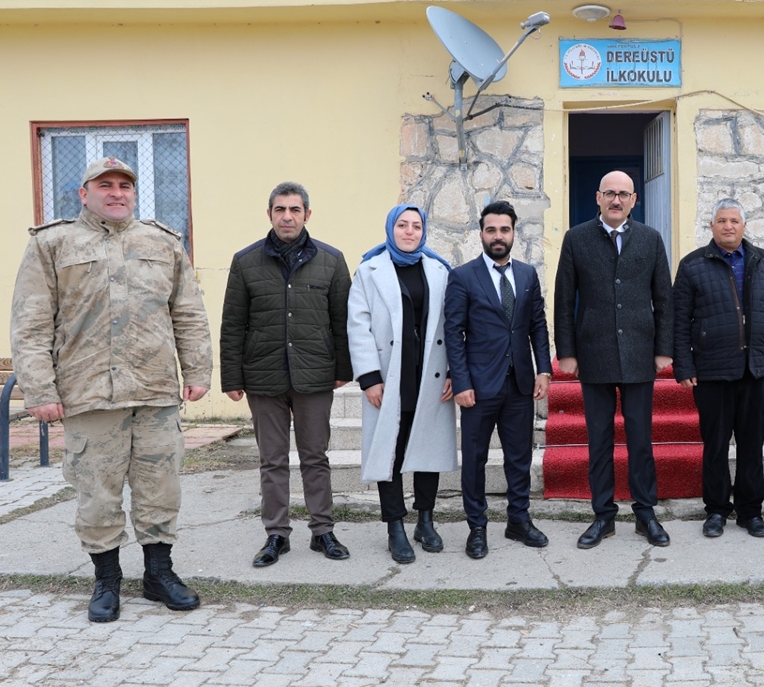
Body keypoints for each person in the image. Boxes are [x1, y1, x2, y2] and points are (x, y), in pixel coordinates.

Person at [10, 156, 211, 623]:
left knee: (160, 488)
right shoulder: (53, 244)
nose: (117, 192)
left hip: (155, 389)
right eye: (106, 185)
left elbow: (188, 311)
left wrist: (197, 369)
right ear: (84, 193)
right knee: (97, 493)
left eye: (125, 185)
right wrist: (40, 389)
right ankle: (107, 582)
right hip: (88, 392)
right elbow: (31, 321)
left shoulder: (162, 242)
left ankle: (159, 575)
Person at [220, 181, 353, 568]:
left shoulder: (331, 260)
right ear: (270, 215)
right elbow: (233, 323)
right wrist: (232, 377)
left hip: (315, 376)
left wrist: (343, 369)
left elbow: (342, 322)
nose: (288, 217)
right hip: (263, 377)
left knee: (315, 456)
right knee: (272, 460)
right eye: (280, 210)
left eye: (295, 210)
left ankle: (323, 530)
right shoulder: (246, 262)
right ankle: (276, 534)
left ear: (307, 215)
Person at [554, 170, 674, 548]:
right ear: (598, 197)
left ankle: (645, 514)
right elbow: (563, 298)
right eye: (610, 193)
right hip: (594, 353)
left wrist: (663, 349)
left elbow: (665, 299)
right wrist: (567, 353)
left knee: (640, 439)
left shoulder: (651, 240)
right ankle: (603, 516)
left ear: (634, 200)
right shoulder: (576, 239)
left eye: (623, 194)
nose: (617, 200)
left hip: (640, 352)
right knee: (599, 440)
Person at [672, 199, 764, 538]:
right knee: (716, 445)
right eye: (721, 220)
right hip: (712, 371)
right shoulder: (693, 265)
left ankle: (751, 512)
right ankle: (717, 510)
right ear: (711, 226)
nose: (728, 226)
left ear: (743, 225)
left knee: (752, 445)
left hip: (757, 371)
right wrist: (684, 365)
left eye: (734, 220)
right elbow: (680, 321)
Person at [348, 204, 456, 564]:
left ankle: (425, 520)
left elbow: (455, 326)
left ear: (423, 231)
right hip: (388, 377)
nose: (409, 232)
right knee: (389, 452)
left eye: (416, 226)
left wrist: (457, 371)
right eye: (402, 226)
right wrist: (368, 378)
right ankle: (395, 525)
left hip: (431, 374)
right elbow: (358, 327)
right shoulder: (369, 271)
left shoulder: (440, 270)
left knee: (427, 448)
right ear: (391, 228)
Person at [444, 201, 552, 559]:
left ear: (513, 234)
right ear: (481, 234)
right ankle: (477, 527)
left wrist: (544, 370)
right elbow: (453, 332)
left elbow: (537, 324)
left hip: (519, 384)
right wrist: (460, 382)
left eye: (504, 230)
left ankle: (518, 520)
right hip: (478, 386)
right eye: (491, 230)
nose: (498, 236)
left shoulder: (526, 275)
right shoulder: (462, 277)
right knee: (474, 460)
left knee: (519, 457)